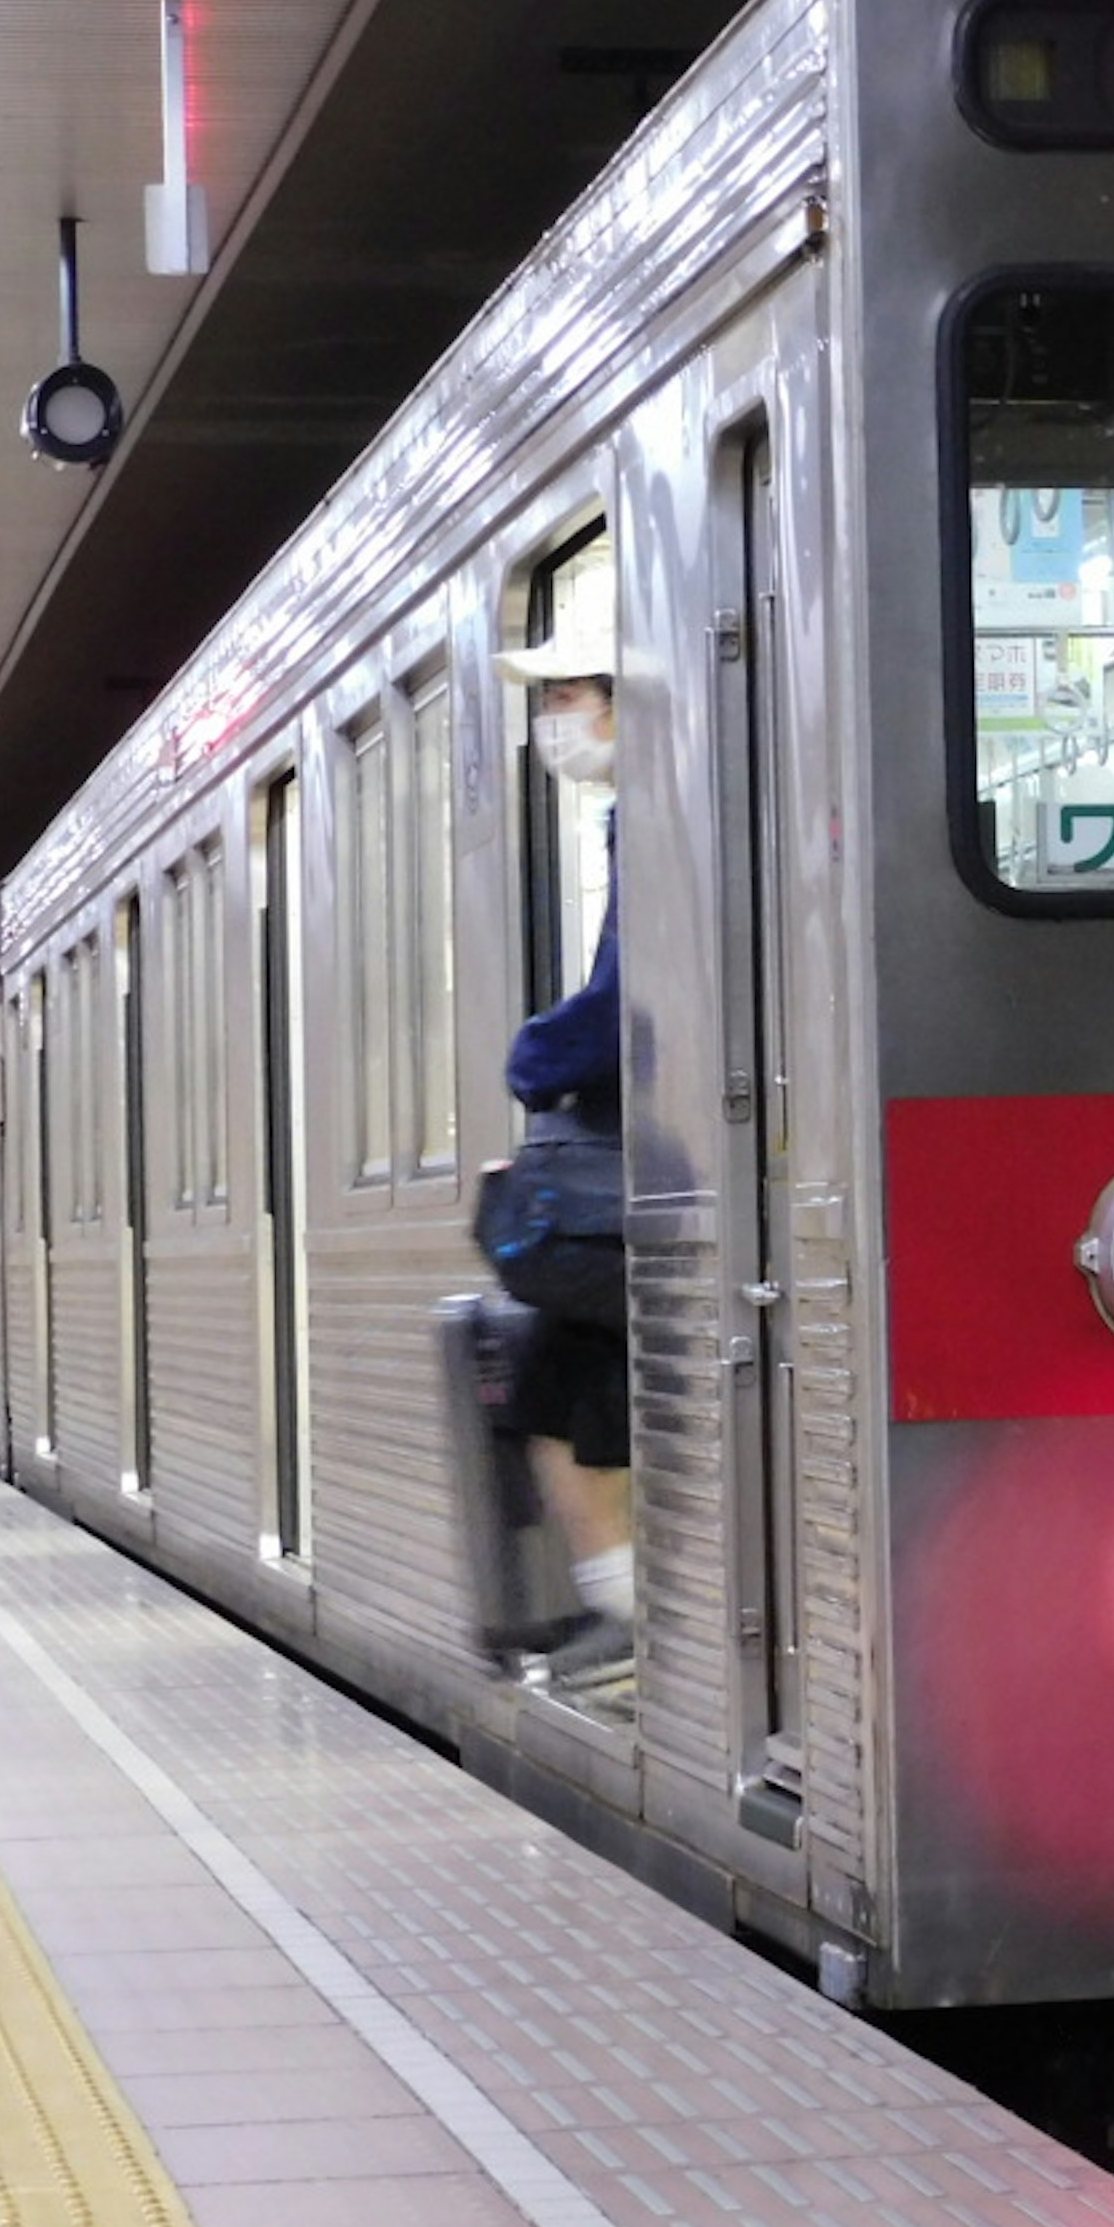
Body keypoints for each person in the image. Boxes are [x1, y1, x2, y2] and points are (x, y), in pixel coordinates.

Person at [494, 618, 635, 1692]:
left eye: (568, 695)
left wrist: (537, 1054)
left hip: (638, 1178)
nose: (555, 722)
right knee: (562, 1390)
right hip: (642, 1168)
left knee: (564, 1388)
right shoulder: (654, 814)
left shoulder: (663, 818)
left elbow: (630, 999)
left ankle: (635, 1618)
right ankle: (622, 1607)